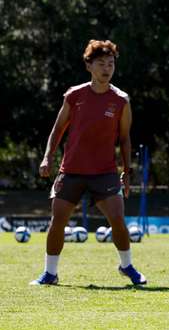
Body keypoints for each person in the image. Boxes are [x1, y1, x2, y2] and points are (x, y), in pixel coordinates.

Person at [30, 39, 147, 286]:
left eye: (111, 64)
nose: (107, 68)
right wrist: (47, 157)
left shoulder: (121, 100)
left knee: (117, 219)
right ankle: (50, 273)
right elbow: (58, 128)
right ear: (89, 66)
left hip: (104, 172)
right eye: (102, 63)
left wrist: (127, 171)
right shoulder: (74, 96)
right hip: (71, 170)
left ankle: (127, 267)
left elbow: (125, 139)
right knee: (57, 221)